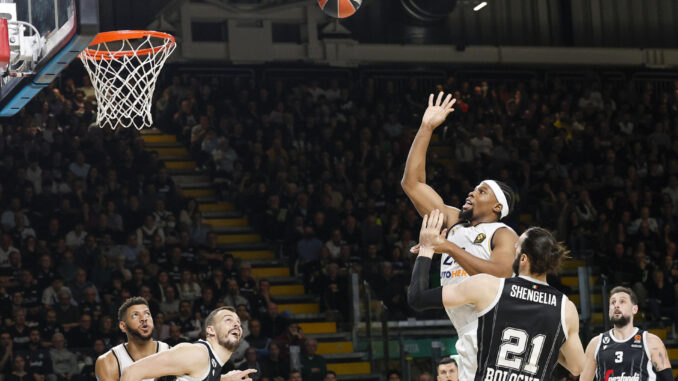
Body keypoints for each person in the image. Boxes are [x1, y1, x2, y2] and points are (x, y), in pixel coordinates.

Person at [401, 93, 518, 376]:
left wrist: (449, 248)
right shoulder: (454, 223)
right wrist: (426, 128)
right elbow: (412, 183)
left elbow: (502, 272)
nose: (471, 192)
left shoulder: (503, 233)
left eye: (482, 191)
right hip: (466, 333)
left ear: (497, 206)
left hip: (498, 331)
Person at [408, 210, 585, 380]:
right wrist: (549, 340)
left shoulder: (488, 286)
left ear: (523, 258)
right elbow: (577, 367)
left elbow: (418, 297)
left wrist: (427, 249)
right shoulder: (565, 308)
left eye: (517, 245)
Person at [119, 306, 256, 381]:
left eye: (238, 322)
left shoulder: (211, 363)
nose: (236, 325)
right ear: (211, 330)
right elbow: (131, 372)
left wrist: (225, 379)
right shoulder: (196, 354)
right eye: (228, 320)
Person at [579, 286, 673, 381]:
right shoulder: (595, 344)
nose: (616, 305)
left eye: (622, 301)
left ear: (634, 309)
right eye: (613, 302)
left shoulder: (651, 341)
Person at [95, 297, 170, 381]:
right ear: (123, 326)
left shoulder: (171, 353)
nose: (143, 319)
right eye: (135, 315)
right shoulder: (108, 361)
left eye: (147, 314)